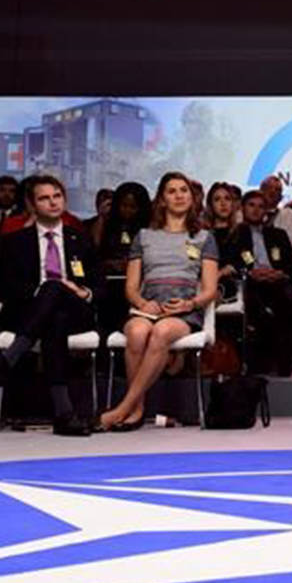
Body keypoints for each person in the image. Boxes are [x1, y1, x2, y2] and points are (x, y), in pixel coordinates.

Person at [100, 172, 219, 430]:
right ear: (162, 200)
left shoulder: (204, 238)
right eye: (171, 191)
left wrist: (190, 304)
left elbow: (210, 289)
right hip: (148, 306)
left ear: (191, 197)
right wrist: (142, 303)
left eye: (183, 190)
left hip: (183, 310)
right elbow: (130, 287)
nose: (178, 195)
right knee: (136, 331)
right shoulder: (144, 236)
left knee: (161, 332)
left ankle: (124, 408)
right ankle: (138, 408)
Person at [0, 176, 104, 436]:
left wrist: (82, 291)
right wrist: (41, 294)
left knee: (56, 290)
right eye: (44, 198)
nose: (52, 202)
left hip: (78, 309)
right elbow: (5, 288)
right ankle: (64, 414)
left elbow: (100, 286)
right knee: (54, 314)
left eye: (57, 196)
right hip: (30, 311)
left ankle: (11, 356)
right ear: (31, 205)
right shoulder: (15, 241)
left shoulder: (80, 238)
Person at [221, 190, 292, 375]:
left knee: (285, 301)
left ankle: (284, 361)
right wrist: (250, 272)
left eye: (260, 206)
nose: (256, 210)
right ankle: (262, 361)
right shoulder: (236, 234)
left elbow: (291, 263)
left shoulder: (277, 234)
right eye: (251, 205)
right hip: (250, 281)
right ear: (242, 208)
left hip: (277, 281)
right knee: (258, 305)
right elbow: (233, 260)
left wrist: (279, 273)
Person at [260, 175, 292, 255]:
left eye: (277, 190)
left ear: (281, 197)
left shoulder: (288, 215)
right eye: (269, 188)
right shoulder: (250, 214)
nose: (272, 192)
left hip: (279, 260)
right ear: (260, 192)